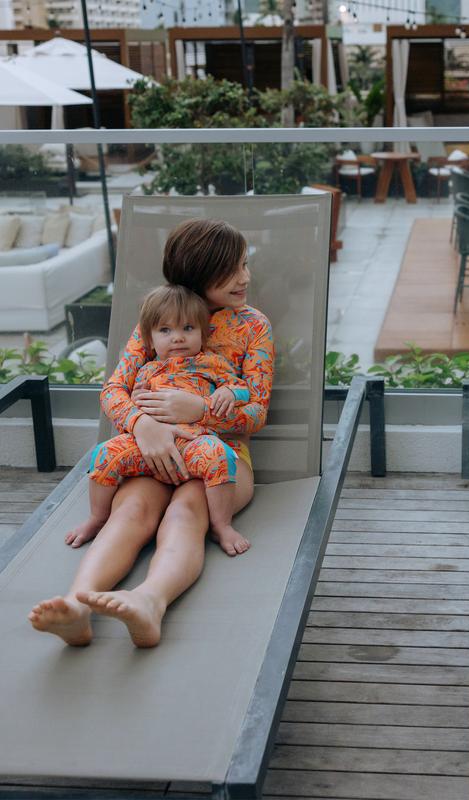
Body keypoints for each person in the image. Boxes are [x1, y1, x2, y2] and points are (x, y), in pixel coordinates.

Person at [29, 218, 273, 648]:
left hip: (220, 458)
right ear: (198, 272)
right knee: (130, 512)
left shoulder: (253, 326)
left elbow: (256, 411)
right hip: (151, 453)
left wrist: (201, 410)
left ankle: (149, 601)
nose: (245, 277)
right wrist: (144, 425)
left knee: (184, 514)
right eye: (232, 269)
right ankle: (77, 606)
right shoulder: (158, 318)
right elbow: (113, 391)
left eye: (244, 265)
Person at [65, 284, 252, 557]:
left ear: (202, 334)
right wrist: (137, 402)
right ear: (150, 341)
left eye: (188, 328)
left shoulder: (211, 363)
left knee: (220, 456)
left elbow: (243, 388)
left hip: (193, 442)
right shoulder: (146, 369)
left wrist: (230, 392)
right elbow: (126, 407)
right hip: (148, 448)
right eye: (165, 330)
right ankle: (98, 517)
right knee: (104, 454)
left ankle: (221, 525)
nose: (178, 338)